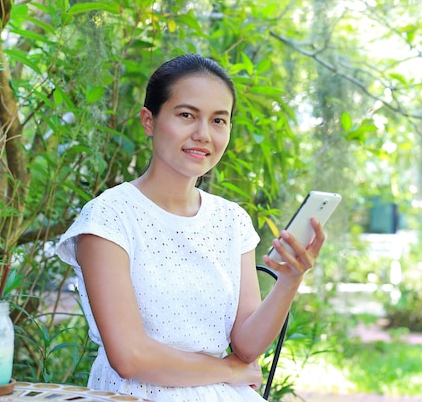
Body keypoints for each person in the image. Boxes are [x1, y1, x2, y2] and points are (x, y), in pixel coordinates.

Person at [56, 54, 325, 401]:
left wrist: (290, 280)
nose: (203, 134)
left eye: (218, 120)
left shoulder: (232, 221)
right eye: (186, 115)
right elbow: (130, 358)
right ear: (149, 121)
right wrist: (229, 371)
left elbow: (246, 345)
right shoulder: (108, 218)